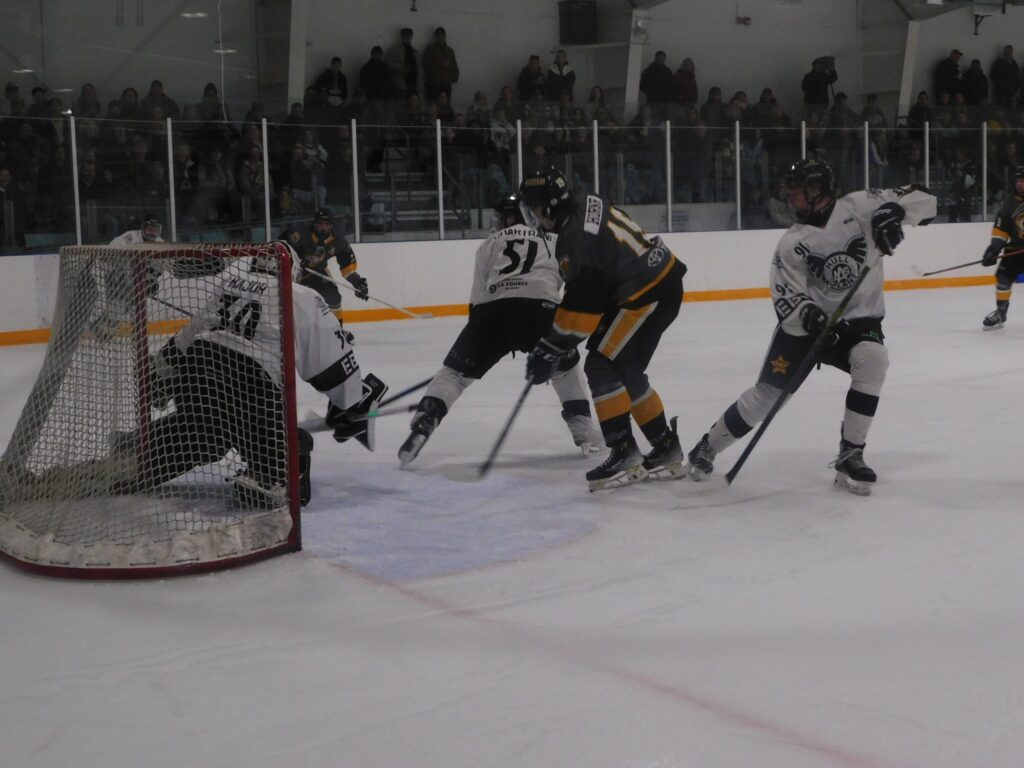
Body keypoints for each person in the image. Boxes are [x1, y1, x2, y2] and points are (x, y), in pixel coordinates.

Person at [684, 158, 937, 495]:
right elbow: (787, 293)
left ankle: (851, 453)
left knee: (873, 359)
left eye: (799, 194)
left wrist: (892, 213)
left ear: (819, 192)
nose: (792, 200)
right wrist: (810, 315)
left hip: (858, 321)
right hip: (807, 329)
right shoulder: (792, 243)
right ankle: (708, 446)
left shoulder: (862, 205)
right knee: (767, 398)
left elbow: (926, 200)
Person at [128, 242, 388, 508]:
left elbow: (189, 334)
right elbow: (332, 369)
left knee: (205, 433)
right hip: (251, 389)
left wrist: (160, 376)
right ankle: (271, 475)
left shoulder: (231, 283)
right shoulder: (299, 295)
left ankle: (138, 449)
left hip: (198, 375)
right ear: (292, 270)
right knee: (294, 443)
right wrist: (353, 402)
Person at [398, 194, 602, 466]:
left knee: (454, 375)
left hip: (493, 312)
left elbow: (477, 301)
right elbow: (572, 283)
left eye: (506, 216)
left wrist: (471, 351)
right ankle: (584, 429)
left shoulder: (488, 244)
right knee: (565, 369)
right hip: (541, 309)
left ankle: (426, 419)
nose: (503, 221)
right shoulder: (553, 240)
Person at [518, 168, 687, 491]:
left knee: (600, 364)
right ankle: (664, 446)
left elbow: (585, 306)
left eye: (533, 208)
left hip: (644, 293)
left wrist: (551, 348)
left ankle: (624, 451)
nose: (534, 217)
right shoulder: (587, 202)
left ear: (548, 206)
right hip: (658, 283)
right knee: (624, 367)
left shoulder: (573, 239)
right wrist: (555, 345)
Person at [287, 208, 368, 337]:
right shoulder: (300, 234)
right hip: (290, 274)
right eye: (320, 223)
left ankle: (337, 333)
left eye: (326, 224)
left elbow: (347, 267)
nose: (323, 227)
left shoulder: (338, 242)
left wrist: (358, 283)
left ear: (331, 225)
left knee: (333, 296)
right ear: (314, 224)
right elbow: (282, 249)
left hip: (315, 273)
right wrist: (294, 260)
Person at [978, 165, 1024, 329]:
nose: (1020, 184)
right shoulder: (1009, 203)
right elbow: (1002, 228)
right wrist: (994, 249)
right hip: (1015, 249)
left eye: (1023, 181)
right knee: (1003, 279)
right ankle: (1001, 313)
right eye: (1018, 180)